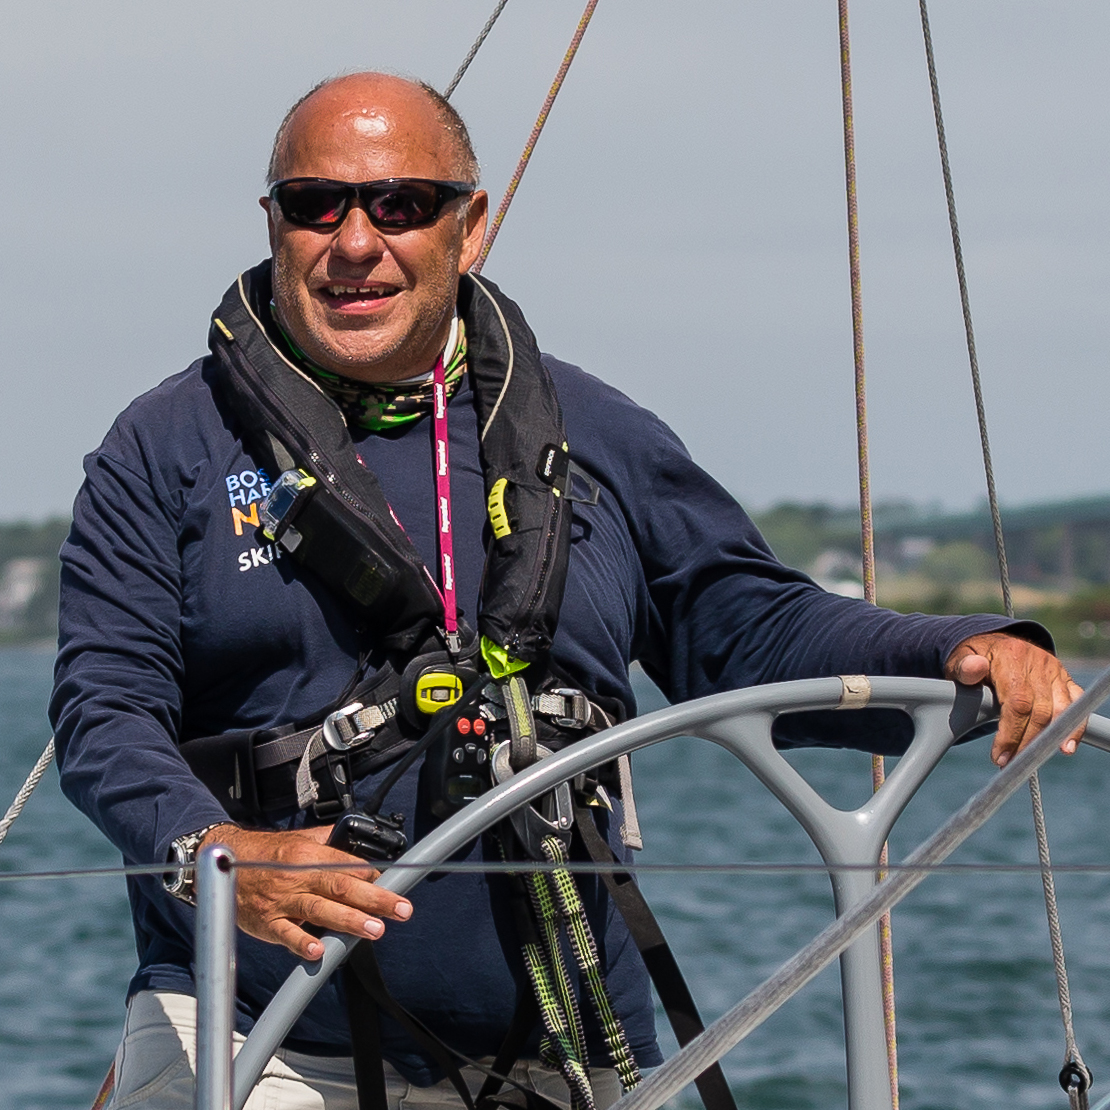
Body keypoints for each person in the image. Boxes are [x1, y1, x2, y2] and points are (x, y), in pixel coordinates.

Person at [50, 72, 1085, 1110]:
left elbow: (745, 624)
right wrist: (215, 853)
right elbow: (105, 714)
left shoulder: (591, 430)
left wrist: (966, 648)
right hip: (260, 1036)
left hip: (567, 1046)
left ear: (472, 227)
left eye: (401, 204)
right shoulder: (166, 451)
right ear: (274, 224)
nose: (355, 242)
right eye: (318, 204)